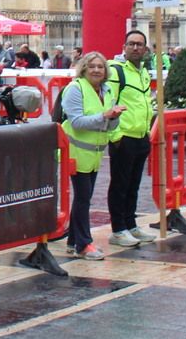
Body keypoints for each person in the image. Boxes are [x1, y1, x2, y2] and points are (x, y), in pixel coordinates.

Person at [60, 51, 125, 260]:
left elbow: (110, 123)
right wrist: (105, 116)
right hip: (76, 151)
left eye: (100, 66)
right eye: (92, 66)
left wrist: (114, 118)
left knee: (83, 197)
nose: (96, 70)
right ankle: (84, 243)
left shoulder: (106, 90)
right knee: (83, 198)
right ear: (84, 68)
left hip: (94, 154)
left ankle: (72, 241)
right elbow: (77, 122)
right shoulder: (75, 89)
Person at [107, 30, 157, 248]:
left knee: (134, 184)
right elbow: (109, 102)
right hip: (123, 136)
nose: (135, 48)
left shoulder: (143, 73)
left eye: (139, 44)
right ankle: (118, 229)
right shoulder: (117, 71)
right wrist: (116, 136)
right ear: (124, 47)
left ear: (146, 49)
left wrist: (146, 130)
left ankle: (131, 224)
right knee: (120, 184)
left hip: (140, 135)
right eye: (131, 44)